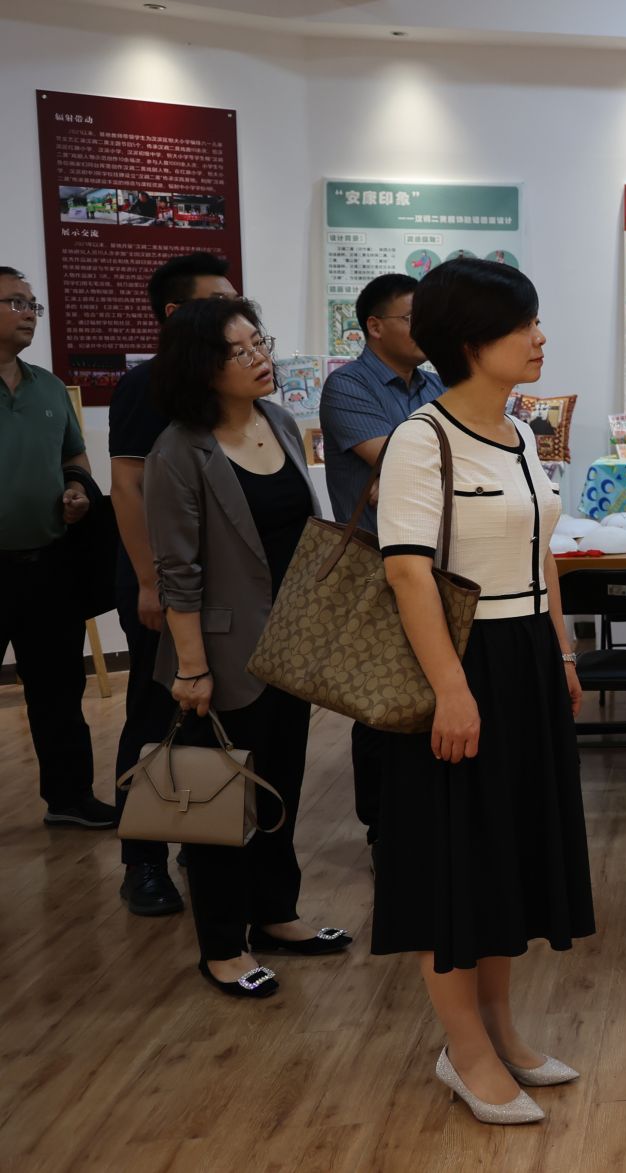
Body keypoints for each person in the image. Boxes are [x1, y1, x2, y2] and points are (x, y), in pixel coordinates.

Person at [375, 256, 594, 1124]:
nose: (540, 337)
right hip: (461, 661)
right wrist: (451, 689)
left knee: (508, 853)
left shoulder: (519, 432)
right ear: (471, 340)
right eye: (522, 325)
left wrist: (563, 650)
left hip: (527, 656)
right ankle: (463, 1049)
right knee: (455, 862)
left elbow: (543, 551)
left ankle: (501, 1029)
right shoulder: (421, 438)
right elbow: (407, 574)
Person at [144, 297, 352, 999]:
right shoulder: (179, 451)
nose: (261, 357)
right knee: (218, 801)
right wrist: (192, 668)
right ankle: (222, 945)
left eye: (260, 342)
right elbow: (178, 572)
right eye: (240, 351)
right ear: (201, 366)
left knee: (280, 786)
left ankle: (275, 913)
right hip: (219, 653)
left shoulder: (279, 421)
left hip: (290, 644)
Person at [109, 251, 237, 915]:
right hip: (162, 580)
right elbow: (126, 486)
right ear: (175, 313)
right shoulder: (147, 384)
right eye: (218, 301)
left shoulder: (222, 382)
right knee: (153, 713)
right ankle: (142, 860)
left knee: (210, 715)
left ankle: (200, 835)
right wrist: (147, 581)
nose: (233, 312)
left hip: (220, 586)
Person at [319, 273, 443, 851]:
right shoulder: (348, 386)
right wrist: (406, 472)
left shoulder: (434, 383)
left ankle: (424, 819)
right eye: (413, 318)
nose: (426, 329)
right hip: (375, 568)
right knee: (379, 700)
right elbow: (411, 463)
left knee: (430, 693)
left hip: (434, 563)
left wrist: (404, 474)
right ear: (374, 326)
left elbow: (455, 460)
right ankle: (381, 831)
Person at [0, 266, 107, 829]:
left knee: (59, 692)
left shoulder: (47, 386)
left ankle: (70, 799)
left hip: (47, 565)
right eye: (16, 303)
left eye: (33, 305)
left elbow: (74, 456)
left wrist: (77, 489)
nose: (29, 315)